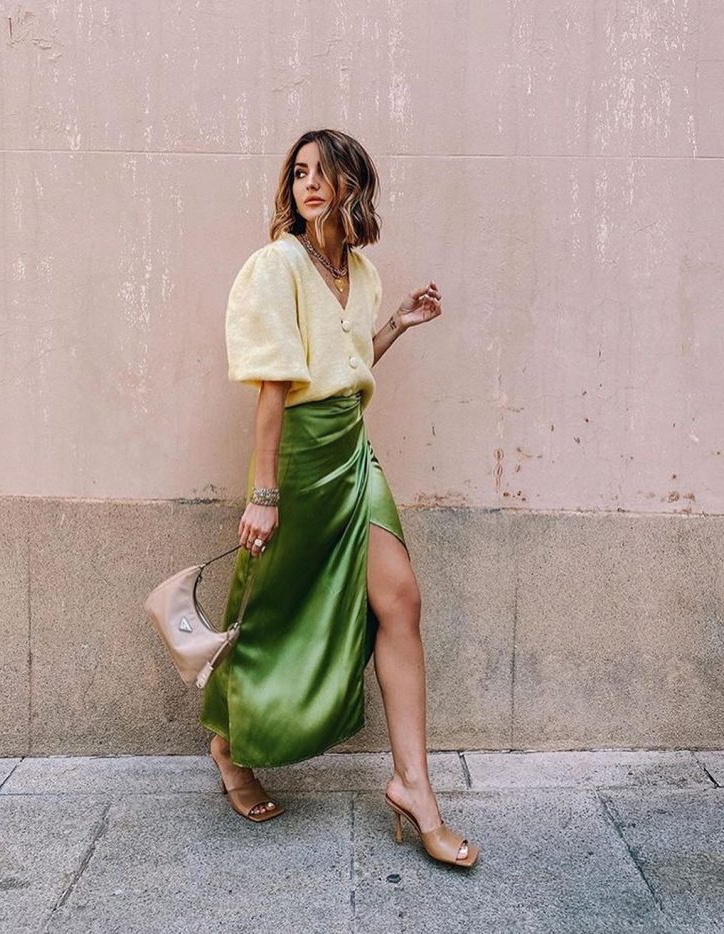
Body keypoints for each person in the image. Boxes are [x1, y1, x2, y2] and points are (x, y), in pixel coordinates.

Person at [200, 129, 479, 869]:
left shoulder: (363, 272)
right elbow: (276, 388)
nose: (310, 184)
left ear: (353, 184)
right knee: (270, 612)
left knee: (401, 600)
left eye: (324, 172)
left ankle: (414, 786)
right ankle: (228, 747)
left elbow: (346, 365)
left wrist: (396, 327)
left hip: (353, 448)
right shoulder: (277, 265)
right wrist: (264, 493)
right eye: (299, 172)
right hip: (296, 457)